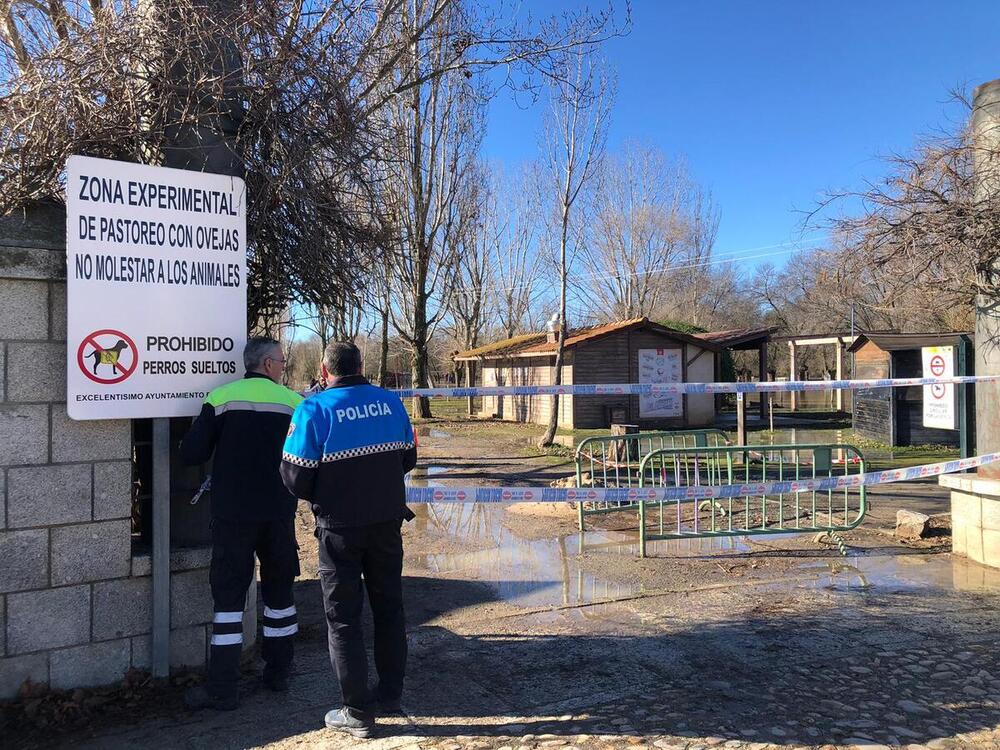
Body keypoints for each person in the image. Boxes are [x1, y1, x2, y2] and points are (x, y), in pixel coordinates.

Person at [281, 341, 417, 739]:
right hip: (387, 523)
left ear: (324, 372)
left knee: (343, 618)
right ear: (361, 366)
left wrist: (334, 487)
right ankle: (390, 693)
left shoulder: (314, 409)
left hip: (339, 528)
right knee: (390, 607)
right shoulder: (390, 403)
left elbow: (294, 476)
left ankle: (357, 711)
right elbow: (408, 457)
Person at [180, 336, 304, 710]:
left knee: (230, 599)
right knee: (280, 594)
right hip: (279, 513)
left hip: (233, 515)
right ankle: (279, 673)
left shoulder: (221, 398)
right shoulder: (295, 404)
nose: (284, 367)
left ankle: (223, 689)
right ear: (267, 365)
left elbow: (191, 453)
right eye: (281, 361)